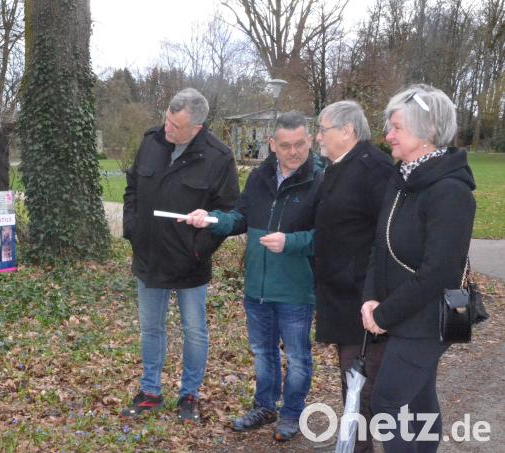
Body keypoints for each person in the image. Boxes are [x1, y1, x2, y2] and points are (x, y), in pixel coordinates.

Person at [185, 111, 323, 441]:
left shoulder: (321, 180)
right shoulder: (260, 177)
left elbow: (328, 237)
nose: (293, 152)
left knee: (297, 357)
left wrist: (290, 242)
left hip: (296, 288)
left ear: (309, 141)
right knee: (263, 353)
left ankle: (292, 413)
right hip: (257, 287)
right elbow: (239, 218)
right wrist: (211, 219)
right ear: (272, 144)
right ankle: (265, 406)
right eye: (286, 145)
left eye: (300, 144)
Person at [361, 84, 475, 452]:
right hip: (400, 312)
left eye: (397, 127)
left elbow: (440, 272)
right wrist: (370, 298)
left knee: (387, 404)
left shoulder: (451, 191)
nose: (388, 135)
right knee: (418, 400)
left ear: (427, 132)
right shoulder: (403, 180)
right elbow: (380, 245)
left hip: (427, 320)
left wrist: (385, 314)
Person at [121, 88, 240, 423]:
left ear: (197, 128)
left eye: (176, 126)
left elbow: (230, 213)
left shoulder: (219, 157)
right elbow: (132, 188)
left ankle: (189, 395)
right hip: (149, 257)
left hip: (190, 261)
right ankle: (150, 392)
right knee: (151, 328)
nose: (168, 128)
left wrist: (199, 247)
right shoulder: (151, 141)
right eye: (167, 120)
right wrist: (132, 227)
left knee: (194, 330)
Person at [313, 100, 394, 452]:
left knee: (362, 389)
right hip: (339, 299)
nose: (318, 137)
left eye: (322, 130)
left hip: (362, 302)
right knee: (352, 386)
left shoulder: (374, 169)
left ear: (347, 131)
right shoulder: (337, 166)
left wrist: (373, 296)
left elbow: (386, 237)